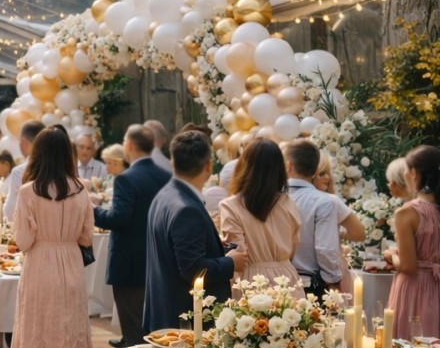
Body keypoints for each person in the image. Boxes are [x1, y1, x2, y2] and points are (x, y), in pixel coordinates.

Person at [11, 126, 94, 348]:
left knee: (38, 339)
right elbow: (87, 236)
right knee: (72, 338)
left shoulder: (28, 191)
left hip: (40, 266)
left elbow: (22, 240)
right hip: (70, 266)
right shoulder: (81, 189)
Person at [144, 131, 248, 332]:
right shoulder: (186, 209)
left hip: (166, 309)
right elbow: (192, 268)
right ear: (208, 166)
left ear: (173, 162)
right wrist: (231, 262)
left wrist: (219, 248)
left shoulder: (164, 195)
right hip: (185, 320)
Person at [93, 125, 171, 348]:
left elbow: (119, 219)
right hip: (159, 257)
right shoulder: (166, 175)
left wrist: (92, 211)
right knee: (151, 317)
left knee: (132, 315)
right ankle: (133, 341)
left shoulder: (126, 179)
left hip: (130, 259)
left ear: (128, 146)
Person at [219, 139, 302, 292]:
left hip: (250, 281)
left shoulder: (230, 206)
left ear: (244, 167)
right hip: (287, 280)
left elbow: (238, 254)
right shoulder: (289, 203)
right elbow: (293, 246)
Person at [385, 145, 440, 338]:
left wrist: (392, 256)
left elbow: (408, 266)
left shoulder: (407, 213)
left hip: (414, 290)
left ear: (414, 174)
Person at [283, 140, 344, 297]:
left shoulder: (272, 198)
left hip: (275, 282)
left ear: (288, 166)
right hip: (310, 286)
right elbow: (325, 249)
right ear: (316, 170)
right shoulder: (323, 202)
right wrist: (334, 280)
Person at [1, 121, 46, 228]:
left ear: (24, 142)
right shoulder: (61, 168)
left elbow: (10, 212)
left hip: (28, 233)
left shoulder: (19, 172)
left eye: (19, 141)